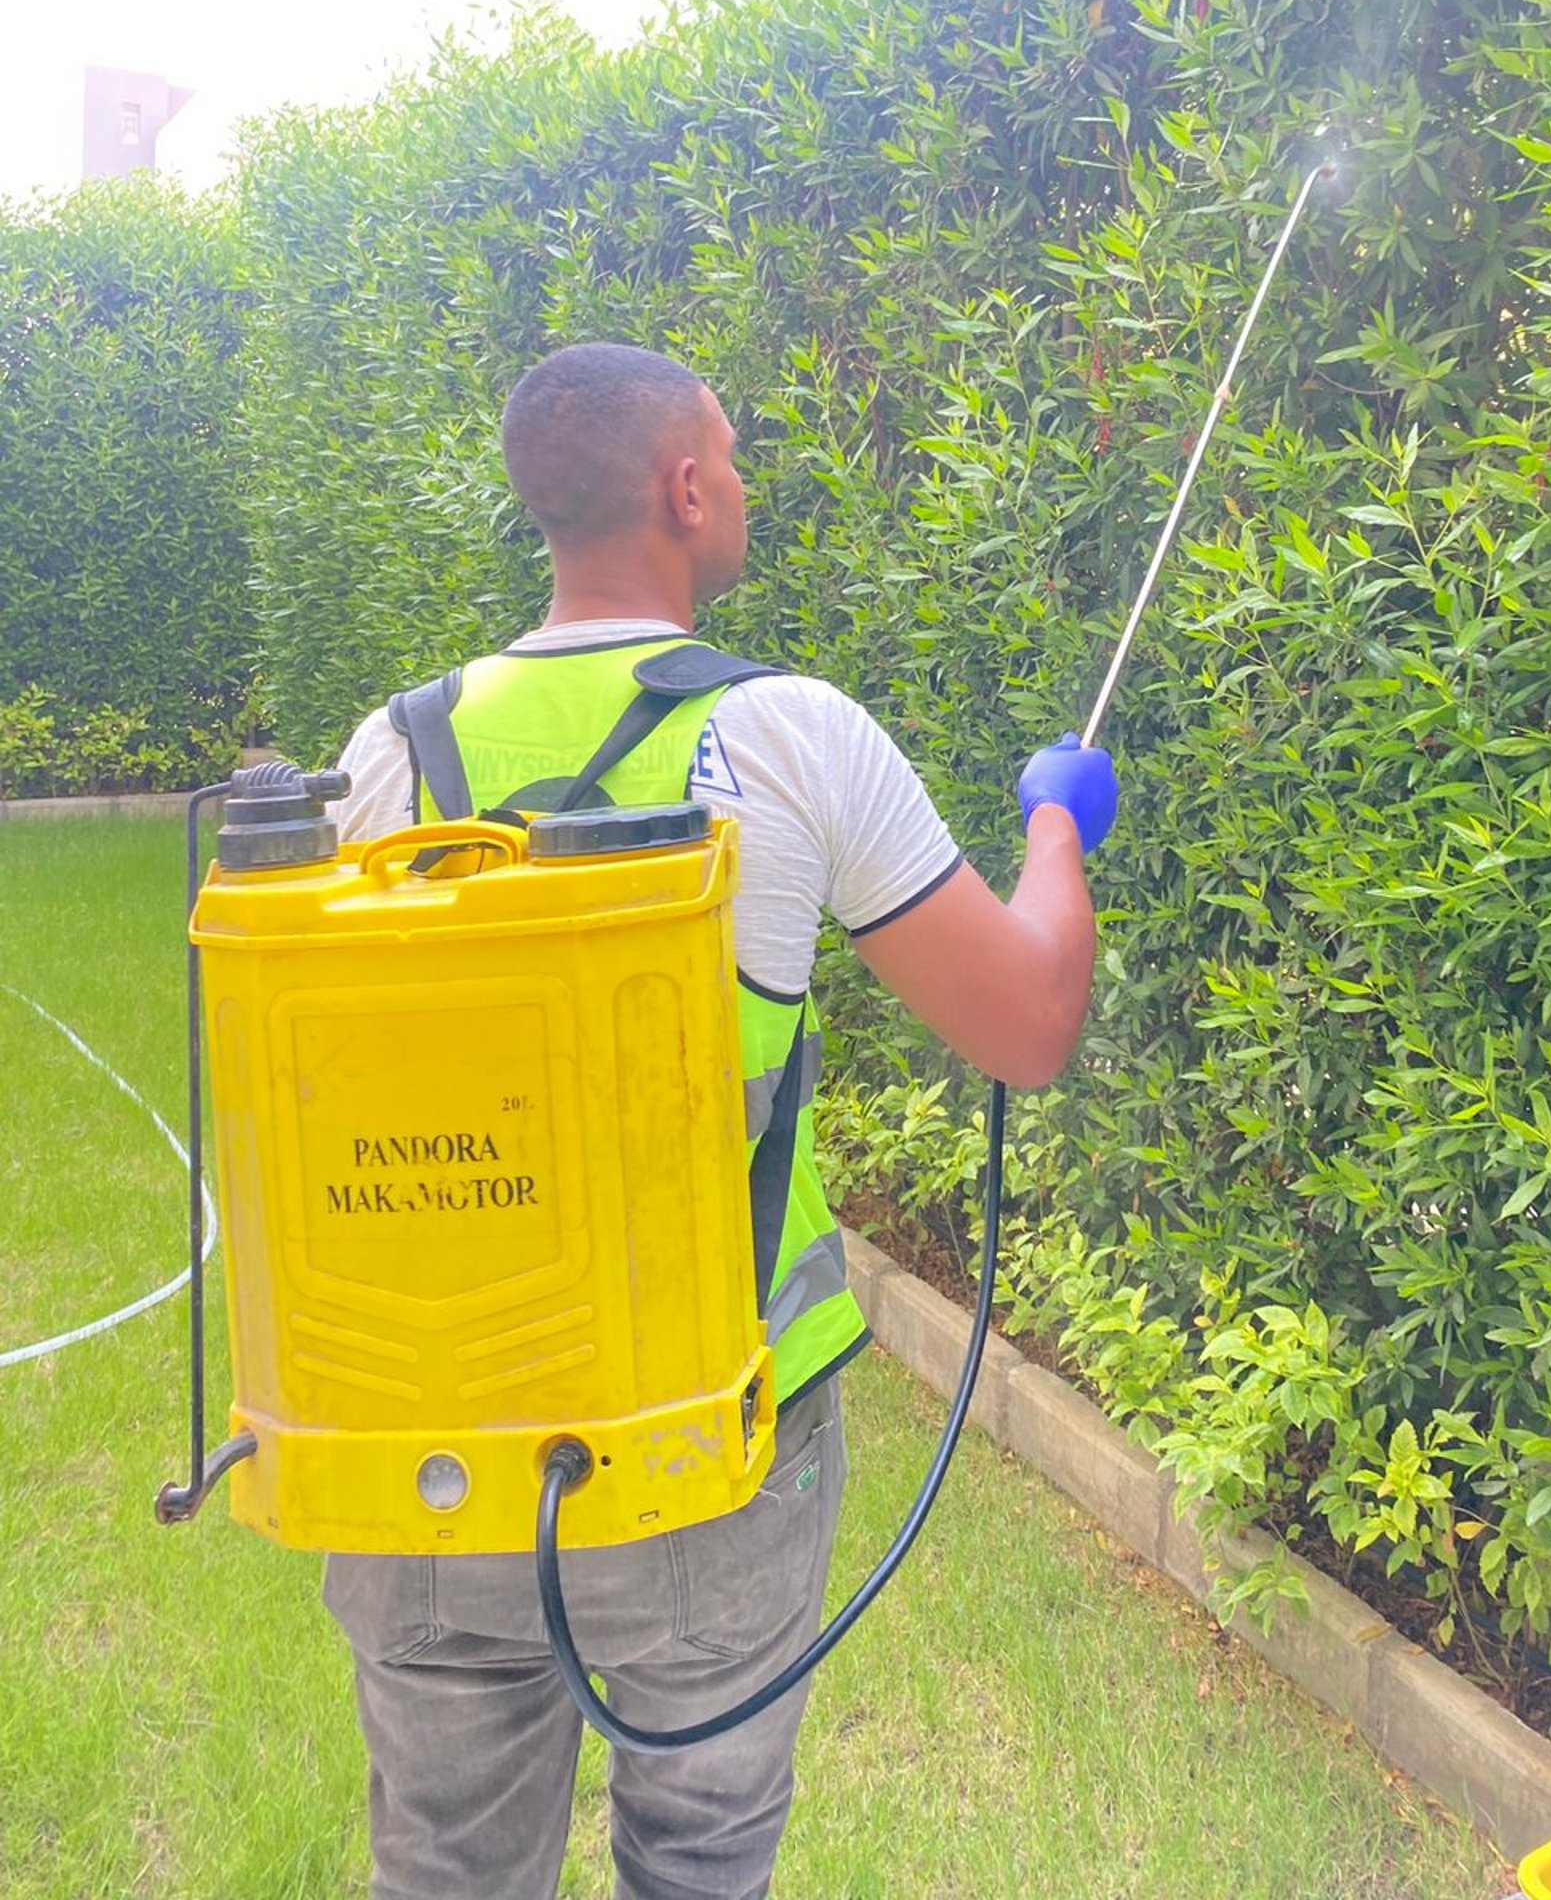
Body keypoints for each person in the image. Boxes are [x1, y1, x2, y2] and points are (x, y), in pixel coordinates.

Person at [323, 341, 1118, 1900]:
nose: (743, 485)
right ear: (686, 492)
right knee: (697, 1865)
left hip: (427, 1451)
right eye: (734, 460)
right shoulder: (791, 737)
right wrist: (1054, 822)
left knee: (445, 1874)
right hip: (707, 1452)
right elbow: (1028, 1024)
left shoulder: (387, 751)